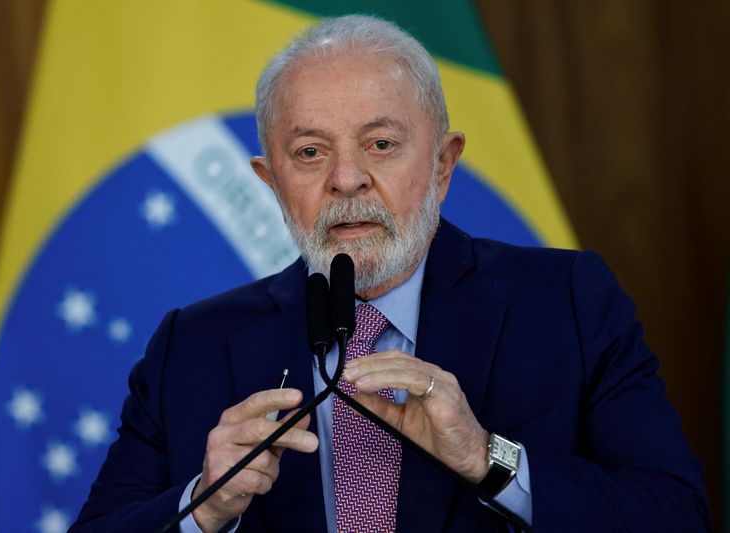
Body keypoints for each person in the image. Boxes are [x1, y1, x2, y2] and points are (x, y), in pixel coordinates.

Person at [72, 15, 710, 533]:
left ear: (442, 163)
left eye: (380, 144)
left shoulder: (569, 304)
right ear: (271, 183)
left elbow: (679, 517)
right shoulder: (191, 346)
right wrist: (203, 508)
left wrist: (490, 459)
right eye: (310, 152)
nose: (346, 180)